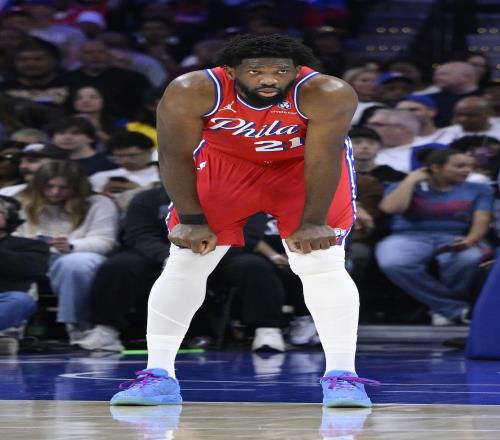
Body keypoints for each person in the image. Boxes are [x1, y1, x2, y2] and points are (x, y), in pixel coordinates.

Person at [110, 34, 377, 408]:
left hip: (302, 168)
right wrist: (191, 218)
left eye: (280, 71)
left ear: (296, 70)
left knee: (320, 261)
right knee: (187, 259)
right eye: (256, 71)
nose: (269, 79)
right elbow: (173, 154)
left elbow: (324, 157)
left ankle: (343, 377)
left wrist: (313, 220)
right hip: (226, 165)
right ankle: (158, 376)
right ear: (232, 71)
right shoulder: (192, 89)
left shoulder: (326, 92)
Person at [376, 148, 493, 326]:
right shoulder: (405, 185)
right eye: (460, 166)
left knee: (469, 259)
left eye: (469, 166)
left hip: (456, 236)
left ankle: (445, 311)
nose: (467, 170)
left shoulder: (479, 189)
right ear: (436, 167)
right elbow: (390, 209)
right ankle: (454, 309)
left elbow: (482, 219)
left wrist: (471, 239)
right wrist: (409, 181)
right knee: (393, 262)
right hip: (407, 236)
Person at [15, 160, 119, 343]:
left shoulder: (99, 203)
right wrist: (26, 244)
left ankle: (79, 327)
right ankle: (11, 327)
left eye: (64, 188)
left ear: (77, 187)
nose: (55, 192)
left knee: (74, 264)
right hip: (30, 256)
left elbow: (105, 241)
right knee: (11, 261)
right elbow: (9, 236)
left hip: (77, 255)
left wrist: (70, 245)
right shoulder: (20, 201)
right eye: (49, 186)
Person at [0, 194, 49, 355]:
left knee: (21, 300)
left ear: (10, 217)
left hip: (5, 300)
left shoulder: (33, 246)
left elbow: (30, 269)